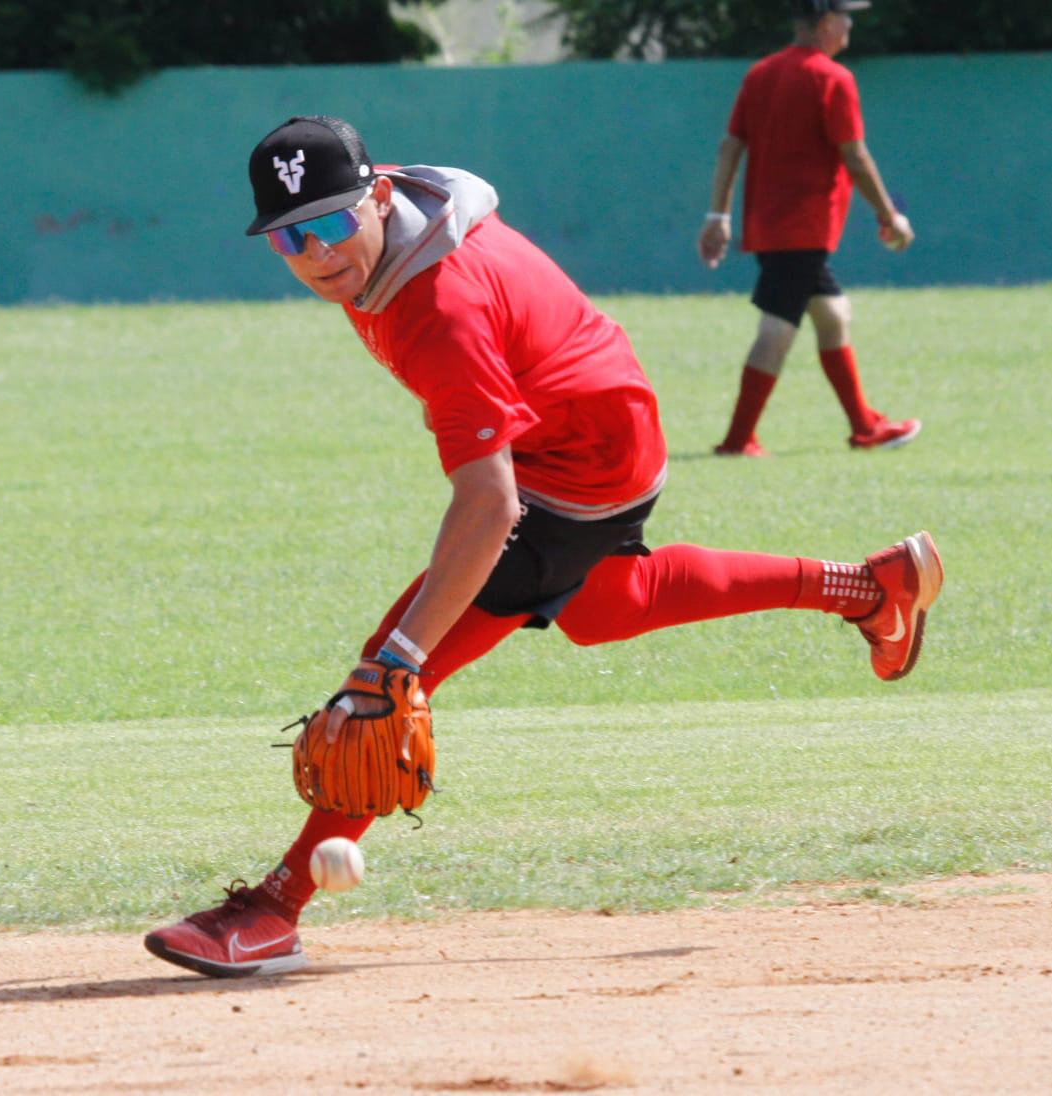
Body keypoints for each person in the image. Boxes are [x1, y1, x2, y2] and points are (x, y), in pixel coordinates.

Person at [144, 115, 943, 978]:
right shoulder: (397, 219)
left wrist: (400, 657)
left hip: (580, 463)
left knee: (385, 678)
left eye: (333, 221)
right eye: (290, 237)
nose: (317, 253)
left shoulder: (436, 308)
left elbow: (489, 505)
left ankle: (275, 909)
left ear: (380, 196)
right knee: (610, 607)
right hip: (589, 414)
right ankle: (866, 587)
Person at [698, 0, 919, 457]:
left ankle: (864, 425)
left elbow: (729, 146)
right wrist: (888, 215)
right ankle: (738, 440)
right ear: (825, 23)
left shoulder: (760, 74)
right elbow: (855, 156)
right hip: (804, 227)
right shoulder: (832, 78)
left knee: (833, 315)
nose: (850, 25)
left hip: (773, 227)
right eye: (845, 16)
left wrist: (718, 215)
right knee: (776, 331)